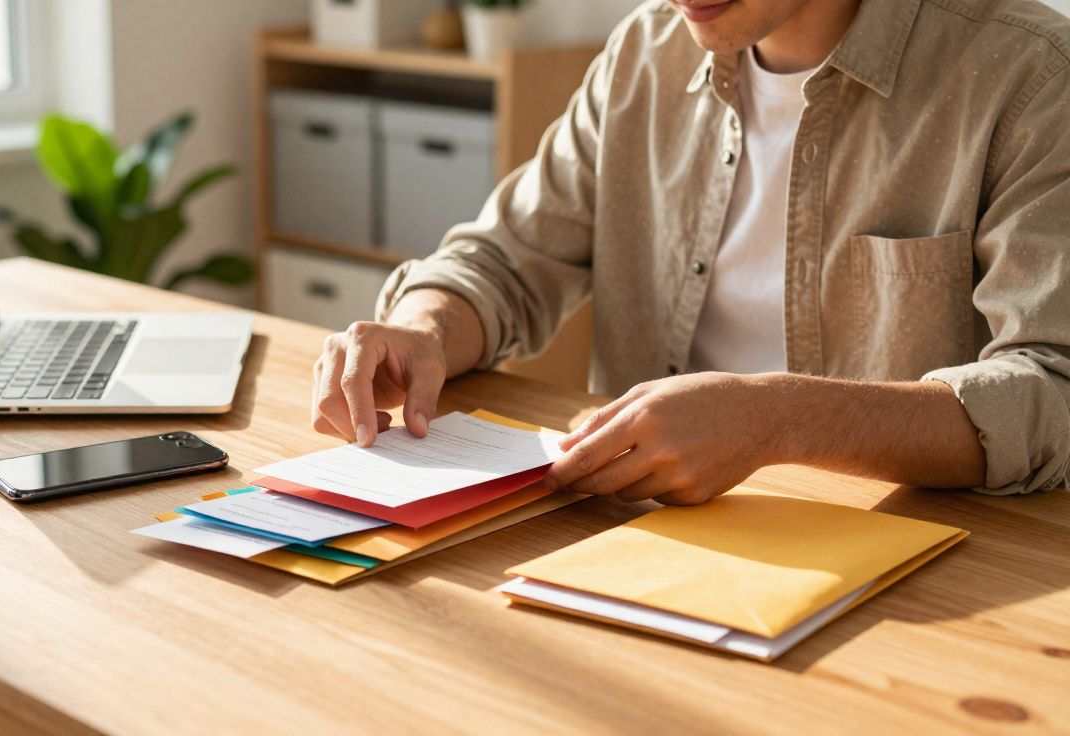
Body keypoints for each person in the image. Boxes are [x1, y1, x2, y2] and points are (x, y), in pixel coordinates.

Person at [310, 0, 1070, 505]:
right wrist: (425, 328)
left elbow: (1053, 389)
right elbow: (505, 260)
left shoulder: (1028, 73)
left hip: (914, 579)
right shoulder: (646, 51)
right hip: (635, 545)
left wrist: (778, 420)